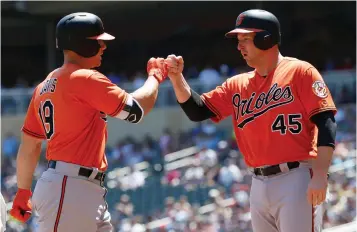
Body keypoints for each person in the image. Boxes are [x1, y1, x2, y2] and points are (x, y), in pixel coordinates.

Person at [165, 9, 337, 232]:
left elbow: (326, 123)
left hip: (297, 178)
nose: (239, 46)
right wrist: (178, 79)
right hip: (257, 183)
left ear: (267, 38)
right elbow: (198, 111)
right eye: (238, 40)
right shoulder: (237, 84)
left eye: (245, 39)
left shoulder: (300, 71)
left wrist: (321, 175)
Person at [9, 12, 168, 232]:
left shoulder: (44, 86)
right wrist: (155, 76)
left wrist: (23, 191)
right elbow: (136, 111)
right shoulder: (84, 77)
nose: (103, 46)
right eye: (98, 41)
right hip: (69, 189)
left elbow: (29, 145)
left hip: (77, 189)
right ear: (81, 44)